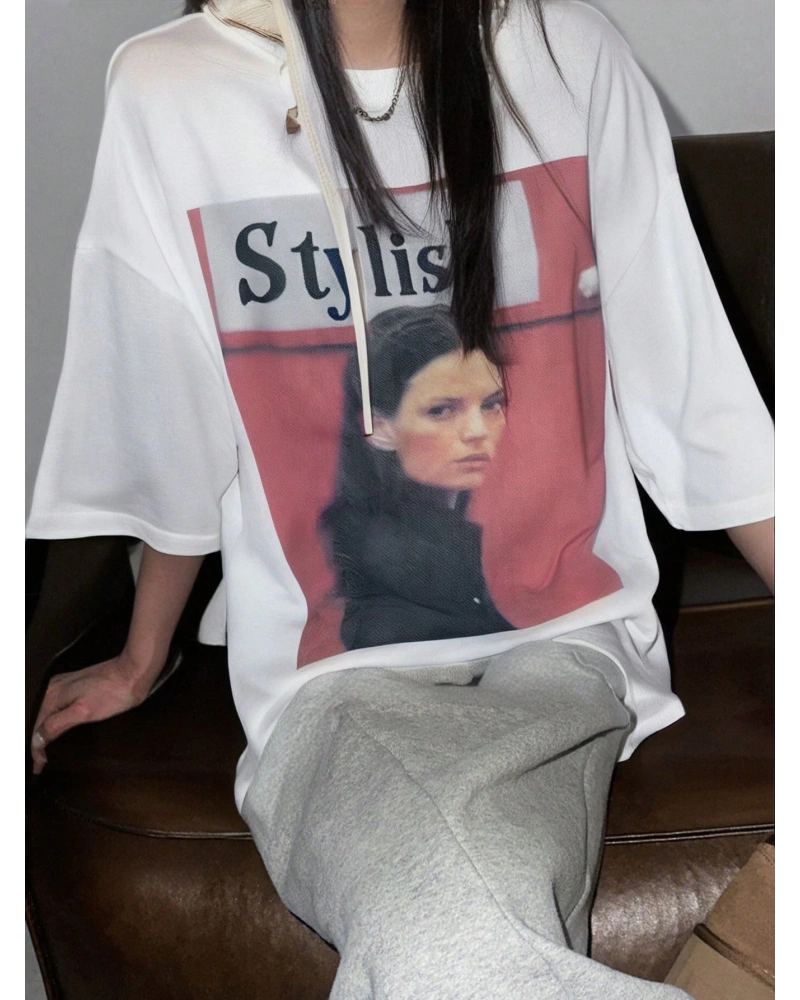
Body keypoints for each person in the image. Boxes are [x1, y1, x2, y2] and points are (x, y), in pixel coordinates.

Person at [26, 0, 775, 997]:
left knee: (453, 936)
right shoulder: (172, 88)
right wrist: (142, 652)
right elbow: (178, 413)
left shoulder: (566, 54)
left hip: (569, 646)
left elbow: (695, 397)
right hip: (332, 680)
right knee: (446, 931)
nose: (476, 428)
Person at [320, 304, 514, 650]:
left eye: (491, 404)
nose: (477, 431)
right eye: (441, 410)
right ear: (380, 428)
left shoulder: (456, 541)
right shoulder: (387, 560)